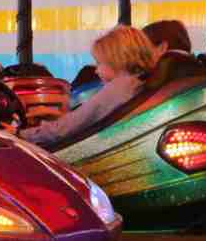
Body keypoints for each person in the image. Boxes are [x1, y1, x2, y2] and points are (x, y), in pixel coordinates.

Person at [21, 25, 158, 149]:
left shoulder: (117, 89)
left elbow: (62, 130)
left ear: (117, 60)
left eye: (99, 63)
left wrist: (18, 134)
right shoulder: (135, 84)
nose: (96, 70)